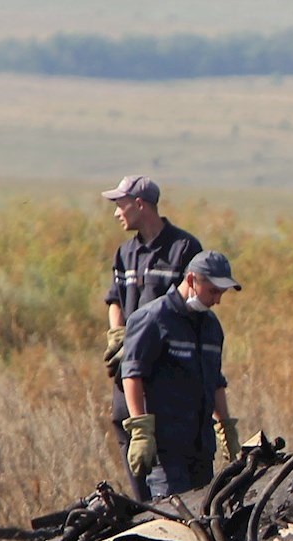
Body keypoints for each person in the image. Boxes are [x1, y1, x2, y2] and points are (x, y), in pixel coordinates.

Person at [101, 176, 205, 499]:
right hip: (129, 373)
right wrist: (118, 336)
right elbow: (116, 299)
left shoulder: (184, 248)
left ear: (140, 204)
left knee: (174, 486)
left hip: (166, 378)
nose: (117, 212)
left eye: (121, 204)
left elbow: (193, 304)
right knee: (129, 437)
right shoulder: (125, 253)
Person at [118, 251, 243, 499]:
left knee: (203, 519)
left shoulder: (211, 327)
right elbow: (132, 374)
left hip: (201, 449)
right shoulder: (152, 319)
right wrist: (140, 429)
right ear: (191, 280)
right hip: (167, 451)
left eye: (221, 293)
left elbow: (215, 380)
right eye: (213, 291)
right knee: (174, 523)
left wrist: (225, 426)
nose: (217, 300)